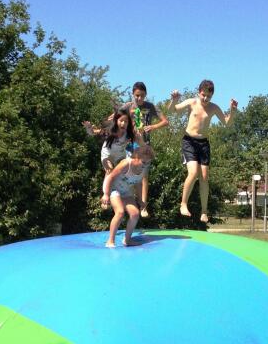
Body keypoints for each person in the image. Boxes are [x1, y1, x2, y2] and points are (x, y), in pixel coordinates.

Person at [167, 79, 237, 223]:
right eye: (203, 95)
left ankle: (204, 211)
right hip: (189, 142)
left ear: (212, 96)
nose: (205, 98)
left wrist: (232, 111)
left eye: (208, 96)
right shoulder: (192, 102)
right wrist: (174, 100)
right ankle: (183, 204)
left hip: (203, 144)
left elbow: (227, 123)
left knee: (204, 177)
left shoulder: (214, 108)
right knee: (193, 173)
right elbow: (172, 110)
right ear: (199, 92)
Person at [119, 82, 168, 218]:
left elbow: (165, 121)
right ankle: (128, 202)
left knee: (144, 176)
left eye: (141, 96)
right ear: (133, 94)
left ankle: (143, 206)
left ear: (145, 94)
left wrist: (153, 126)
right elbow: (116, 118)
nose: (139, 98)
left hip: (144, 146)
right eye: (137, 96)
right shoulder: (128, 106)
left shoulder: (150, 107)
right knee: (129, 174)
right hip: (130, 145)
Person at [101, 145, 153, 248]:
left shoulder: (143, 170)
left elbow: (138, 184)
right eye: (143, 162)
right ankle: (110, 240)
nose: (145, 165)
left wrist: (140, 200)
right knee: (120, 212)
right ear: (136, 157)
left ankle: (127, 240)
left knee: (135, 214)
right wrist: (106, 194)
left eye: (148, 163)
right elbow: (110, 177)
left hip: (126, 192)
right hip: (113, 189)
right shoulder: (126, 163)